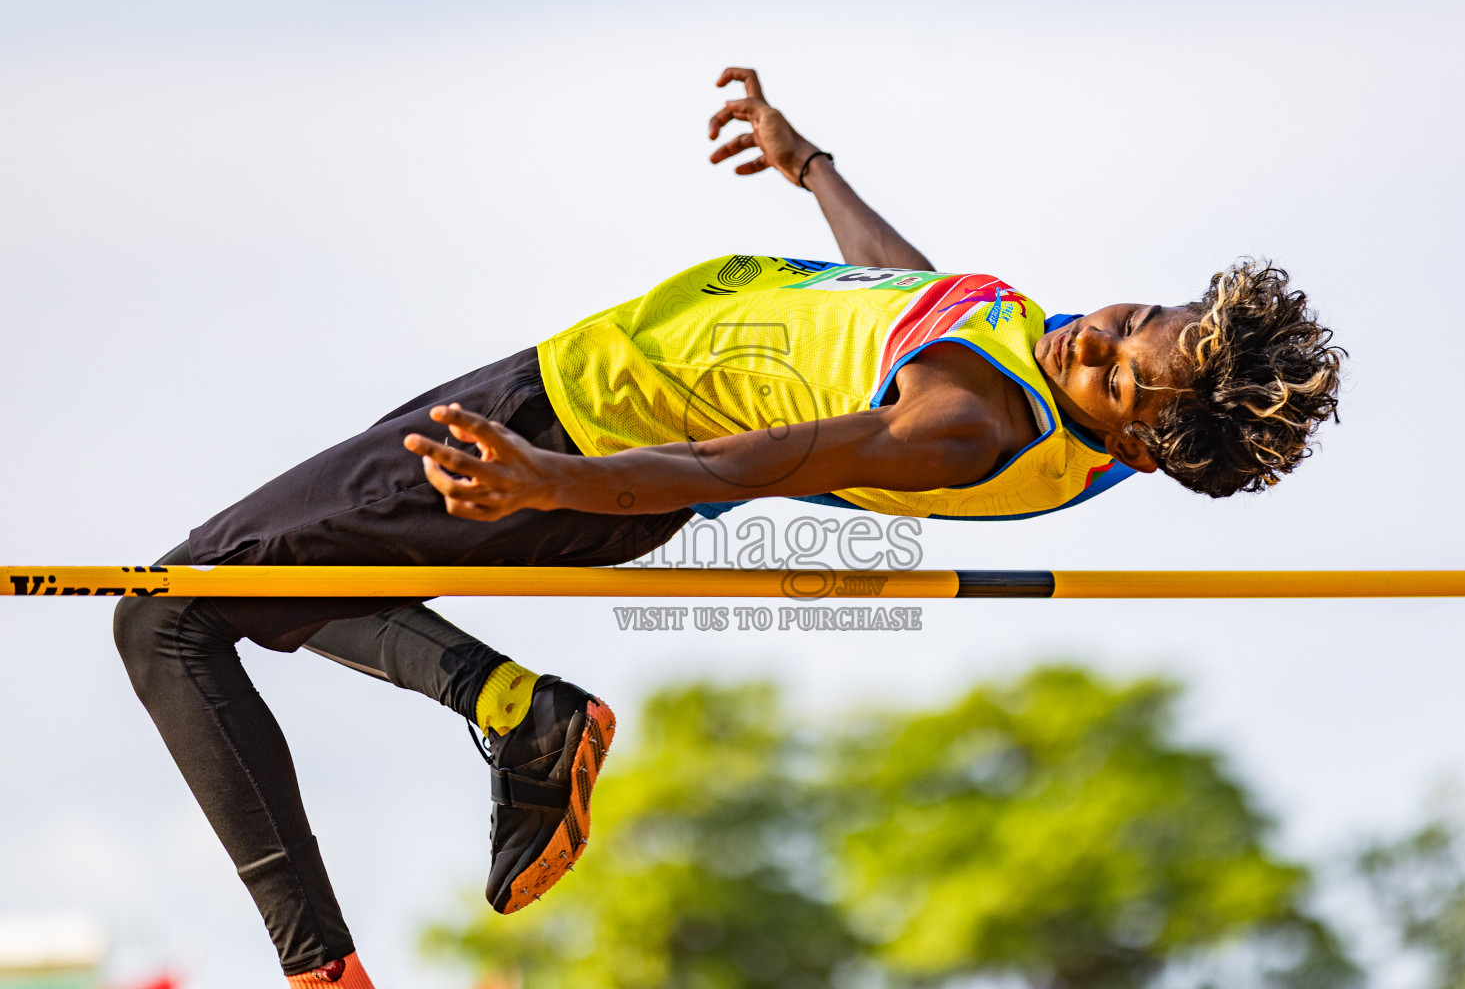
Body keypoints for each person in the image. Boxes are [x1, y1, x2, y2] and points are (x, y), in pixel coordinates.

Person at [113, 67, 1345, 986]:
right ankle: (518, 714)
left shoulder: (966, 425)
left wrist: (546, 480)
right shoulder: (1018, 353)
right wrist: (812, 168)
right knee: (255, 579)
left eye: (1123, 382)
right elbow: (914, 299)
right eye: (1139, 319)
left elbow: (736, 464)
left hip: (586, 440)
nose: (1102, 342)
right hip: (560, 401)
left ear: (1137, 445)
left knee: (166, 617)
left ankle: (321, 963)